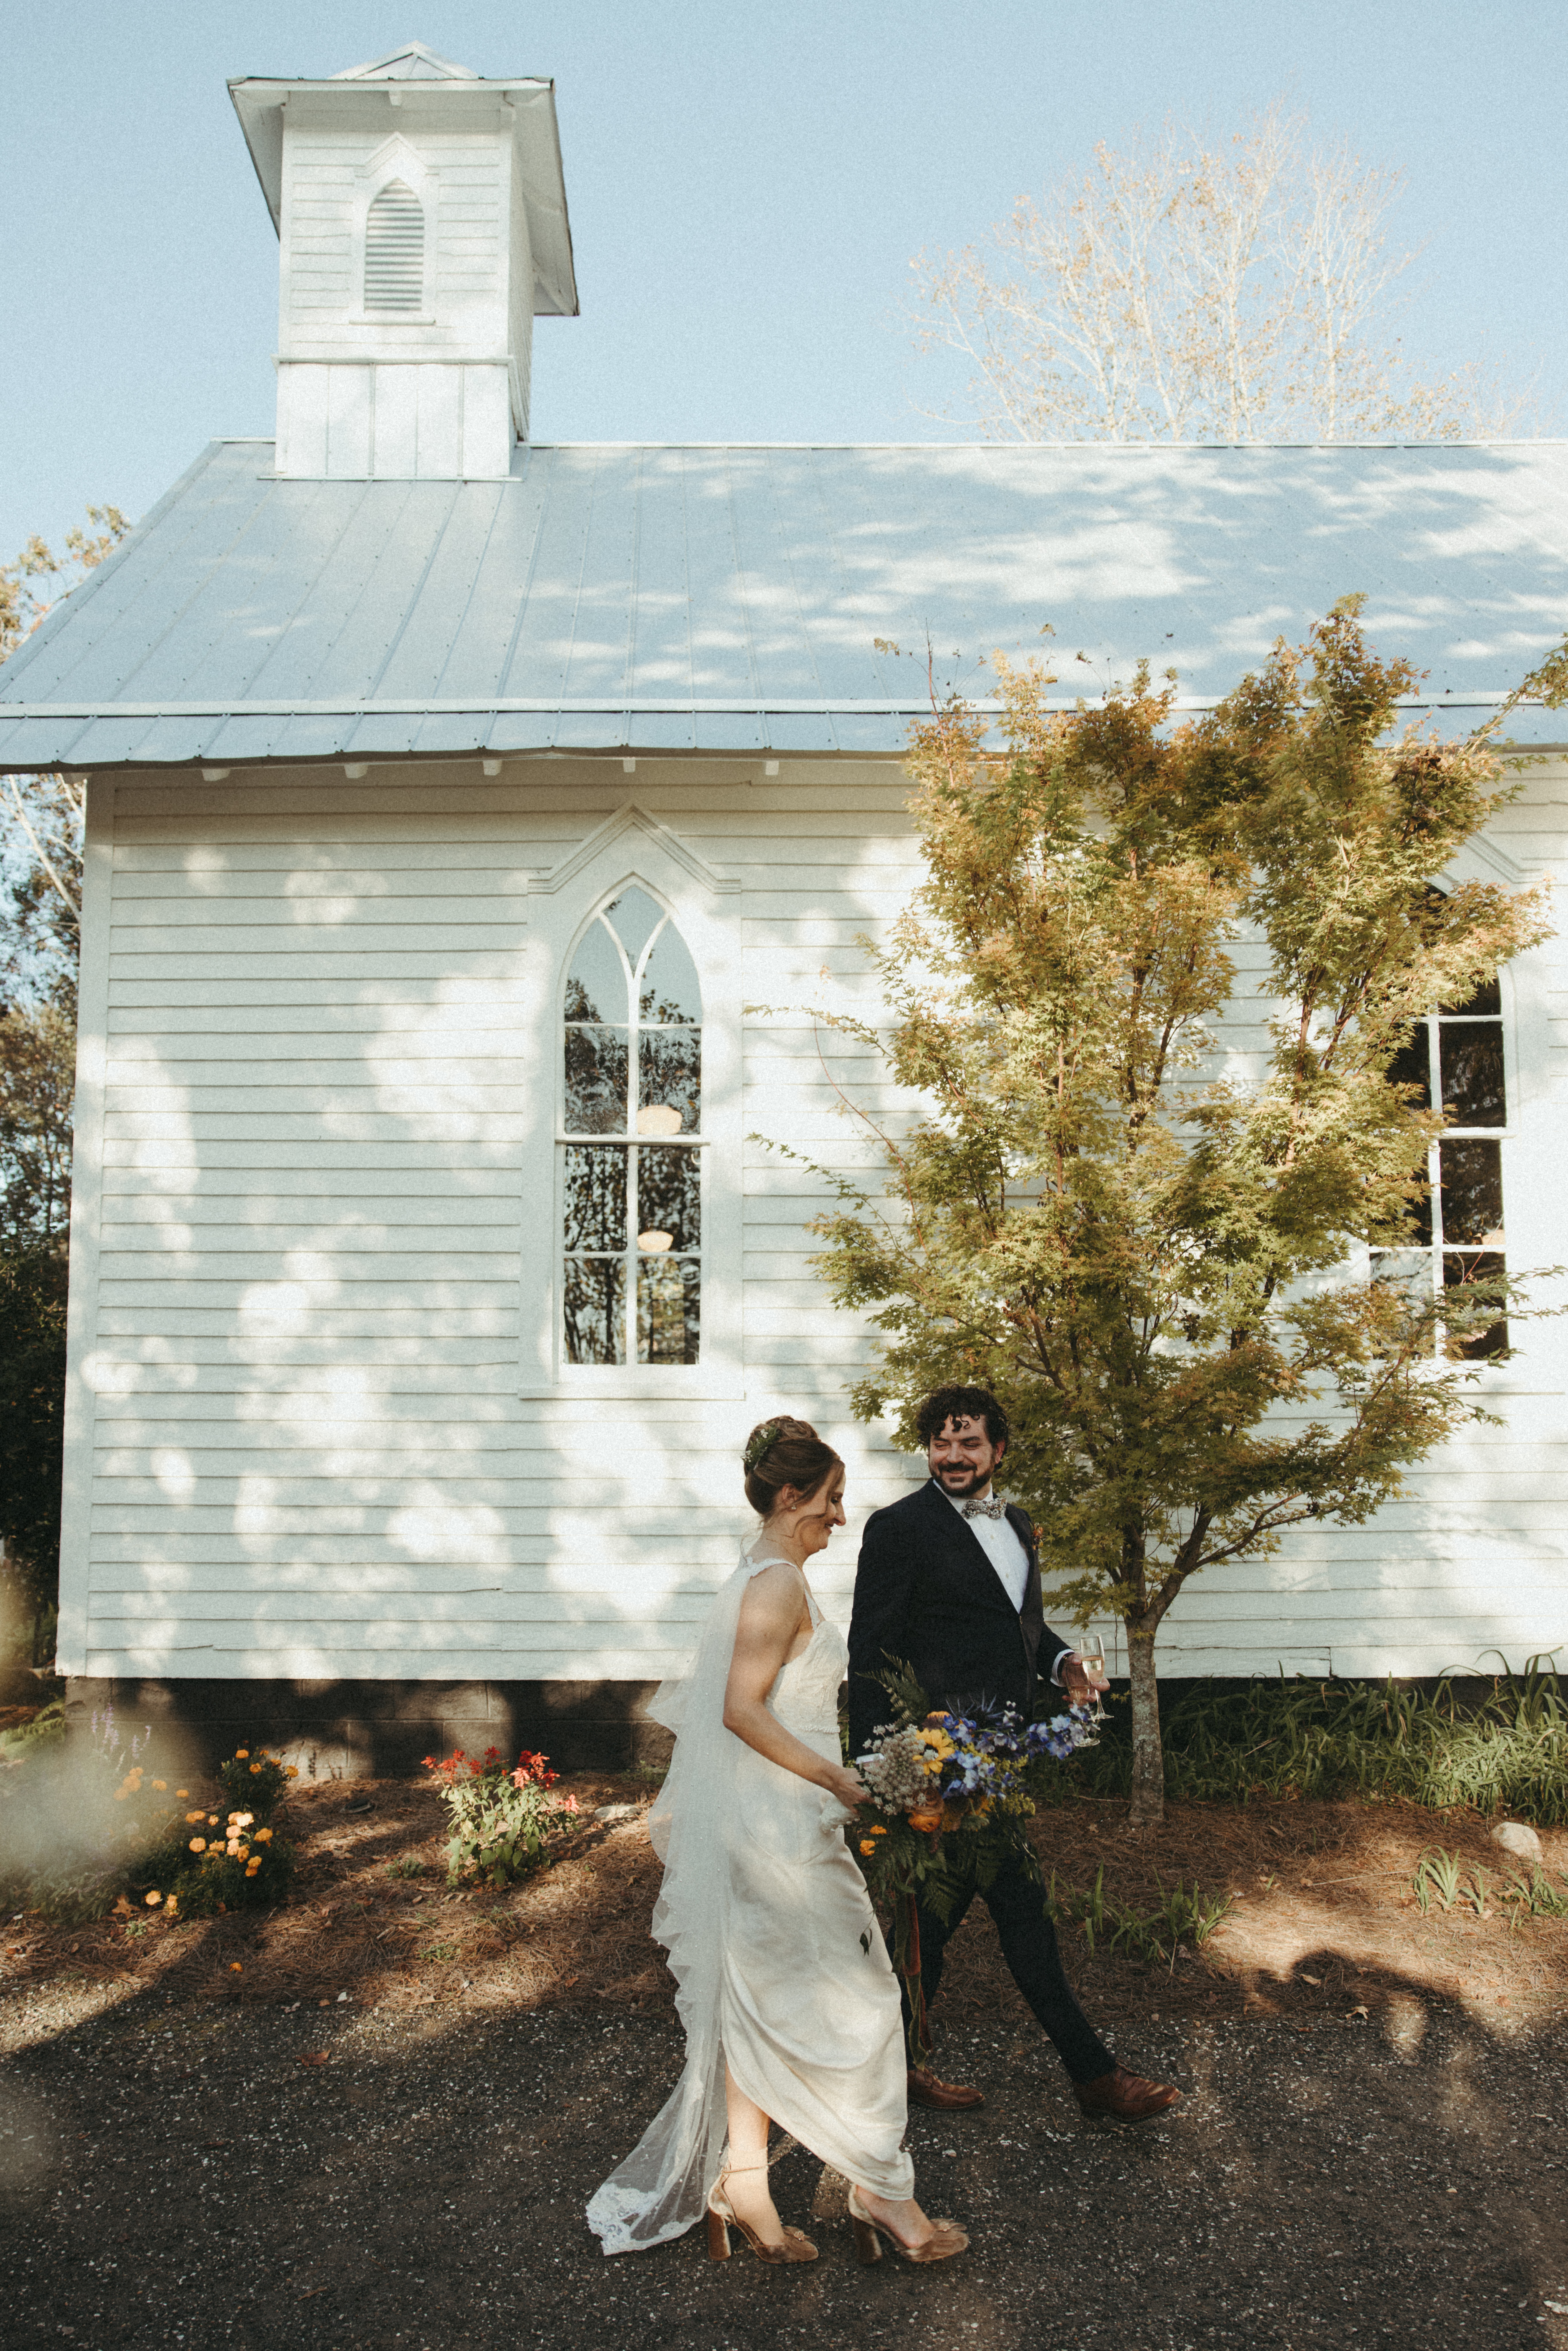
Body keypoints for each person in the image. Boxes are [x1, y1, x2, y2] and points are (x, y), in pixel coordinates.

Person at [588, 1416, 968, 2268]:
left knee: (755, 1999)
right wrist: (839, 1780)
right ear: (791, 1495)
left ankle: (745, 2182)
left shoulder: (768, 1573)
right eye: (832, 1499)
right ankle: (883, 2191)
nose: (842, 1515)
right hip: (781, 1833)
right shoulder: (774, 1587)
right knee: (868, 2006)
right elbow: (739, 1709)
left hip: (772, 1823)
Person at [847, 1383, 1181, 2125]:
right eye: (941, 1441)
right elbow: (867, 1654)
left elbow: (1022, 1630)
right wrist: (883, 1773)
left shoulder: (1020, 1524)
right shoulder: (898, 1529)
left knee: (930, 1927)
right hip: (934, 1768)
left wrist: (1063, 1666)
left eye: (969, 1442)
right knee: (1015, 1913)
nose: (953, 1455)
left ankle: (890, 2068)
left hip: (1001, 1763)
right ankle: (1094, 2076)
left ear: (999, 1451)